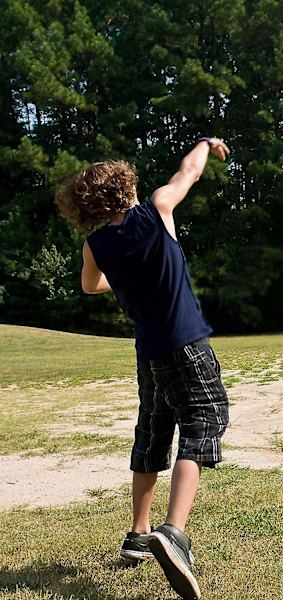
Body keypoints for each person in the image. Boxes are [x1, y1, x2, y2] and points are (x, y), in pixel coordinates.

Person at [55, 137, 231, 600]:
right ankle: (173, 532)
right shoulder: (157, 210)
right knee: (204, 422)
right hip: (188, 346)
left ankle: (138, 534)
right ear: (127, 187)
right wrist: (205, 144)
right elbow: (188, 173)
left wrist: (123, 273)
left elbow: (91, 286)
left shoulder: (97, 244)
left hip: (149, 353)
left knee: (153, 431)